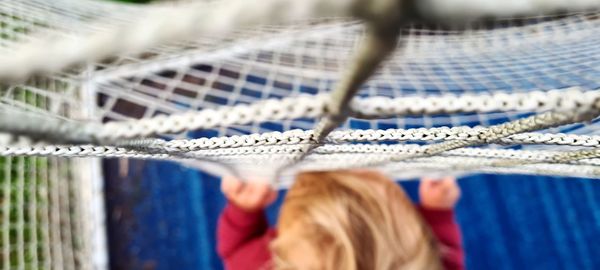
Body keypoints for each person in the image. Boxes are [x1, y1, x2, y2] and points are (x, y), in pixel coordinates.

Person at [217, 170, 464, 270]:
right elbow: (447, 257)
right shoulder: (435, 263)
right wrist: (436, 212)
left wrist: (243, 211)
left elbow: (235, 248)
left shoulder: (258, 264)